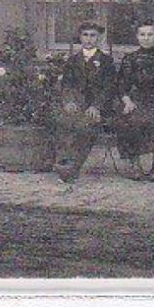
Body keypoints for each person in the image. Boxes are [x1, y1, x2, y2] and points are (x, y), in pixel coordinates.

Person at [53, 21, 108, 185]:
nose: (89, 39)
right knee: (65, 122)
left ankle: (74, 166)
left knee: (85, 126)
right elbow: (67, 84)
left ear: (98, 38)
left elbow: (109, 88)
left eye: (93, 36)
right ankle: (63, 162)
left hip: (96, 107)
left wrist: (97, 106)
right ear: (80, 37)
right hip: (77, 103)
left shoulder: (105, 61)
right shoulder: (72, 60)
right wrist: (69, 101)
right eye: (85, 35)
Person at [117, 19, 154, 181]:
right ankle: (135, 165)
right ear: (137, 36)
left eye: (150, 34)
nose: (146, 38)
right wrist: (127, 100)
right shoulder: (130, 58)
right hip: (136, 98)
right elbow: (122, 84)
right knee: (132, 120)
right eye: (142, 34)